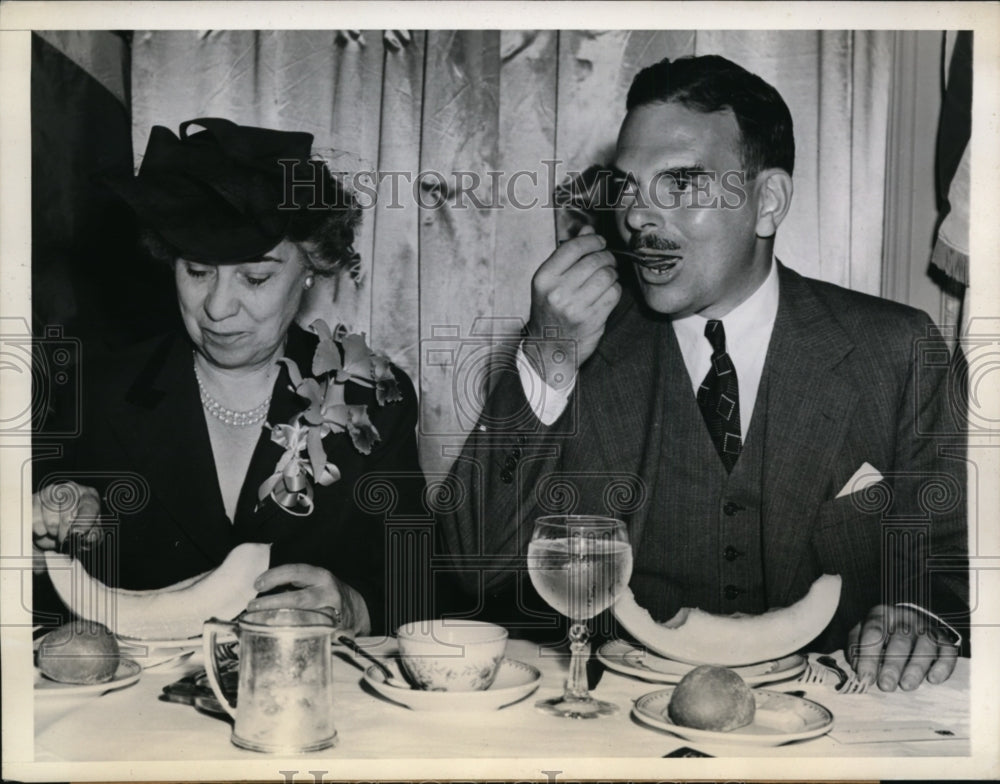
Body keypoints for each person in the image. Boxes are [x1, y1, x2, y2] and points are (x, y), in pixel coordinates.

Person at [440, 55, 968, 691]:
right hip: (616, 721)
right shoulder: (579, 350)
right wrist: (547, 359)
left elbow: (948, 557)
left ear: (767, 202)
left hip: (836, 713)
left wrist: (918, 612)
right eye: (628, 188)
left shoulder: (898, 349)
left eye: (681, 184)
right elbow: (474, 564)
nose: (638, 217)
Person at [32, 118, 426, 636]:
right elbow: (39, 597)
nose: (217, 308)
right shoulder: (96, 392)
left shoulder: (374, 400)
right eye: (197, 271)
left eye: (255, 277)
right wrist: (60, 534)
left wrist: (357, 607)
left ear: (312, 266)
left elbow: (421, 586)